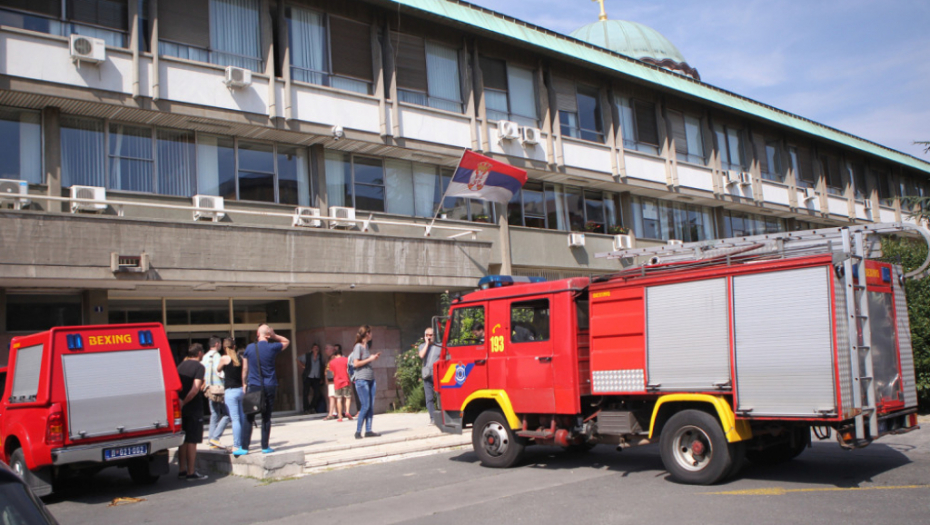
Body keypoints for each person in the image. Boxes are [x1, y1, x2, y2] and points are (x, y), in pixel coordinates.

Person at [242, 324, 289, 454]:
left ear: (257, 333)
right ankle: (264, 446)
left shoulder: (250, 348)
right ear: (268, 335)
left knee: (248, 416)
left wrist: (244, 383)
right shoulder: (272, 347)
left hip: (254, 385)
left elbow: (245, 368)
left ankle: (244, 447)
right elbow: (286, 341)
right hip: (270, 385)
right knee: (266, 417)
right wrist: (274, 335)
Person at [176, 344, 208, 481]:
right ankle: (191, 472)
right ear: (199, 353)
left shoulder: (180, 366)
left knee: (182, 440)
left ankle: (182, 469)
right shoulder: (199, 367)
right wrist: (185, 401)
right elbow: (195, 389)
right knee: (192, 440)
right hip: (193, 407)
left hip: (182, 409)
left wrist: (180, 403)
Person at [217, 338, 247, 456]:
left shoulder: (224, 358)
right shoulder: (241, 358)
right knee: (242, 418)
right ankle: (244, 443)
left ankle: (236, 445)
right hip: (240, 389)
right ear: (234, 347)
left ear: (225, 347)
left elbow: (218, 369)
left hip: (230, 391)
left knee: (235, 419)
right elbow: (245, 371)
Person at [349, 325, 380, 439]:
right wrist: (370, 359)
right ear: (367, 333)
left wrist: (372, 358)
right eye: (370, 332)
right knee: (365, 405)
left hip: (370, 379)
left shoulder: (365, 346)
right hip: (362, 380)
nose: (372, 335)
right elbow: (356, 363)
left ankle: (368, 430)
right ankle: (358, 432)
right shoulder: (358, 346)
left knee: (370, 406)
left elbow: (365, 361)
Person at [201, 336, 229, 449]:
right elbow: (220, 372)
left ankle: (210, 439)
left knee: (214, 414)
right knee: (227, 414)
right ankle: (215, 438)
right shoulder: (217, 356)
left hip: (209, 388)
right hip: (219, 389)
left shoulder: (205, 356)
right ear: (217, 344)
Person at [418, 327, 441, 425]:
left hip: (438, 374)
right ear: (425, 336)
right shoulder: (422, 346)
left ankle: (442, 416)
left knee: (439, 396)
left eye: (432, 335)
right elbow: (421, 356)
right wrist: (427, 344)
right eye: (428, 335)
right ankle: (432, 418)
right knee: (429, 398)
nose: (430, 337)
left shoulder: (440, 346)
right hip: (427, 375)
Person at [326, 347, 353, 422]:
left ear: (335, 355)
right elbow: (350, 369)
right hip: (346, 381)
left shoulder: (332, 362)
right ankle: (347, 411)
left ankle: (340, 416)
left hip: (337, 382)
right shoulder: (346, 359)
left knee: (338, 399)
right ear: (341, 354)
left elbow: (331, 373)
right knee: (347, 397)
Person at [297, 343, 323, 414]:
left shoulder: (320, 357)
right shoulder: (307, 356)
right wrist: (303, 366)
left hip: (316, 377)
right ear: (312, 349)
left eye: (317, 347)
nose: (316, 348)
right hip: (308, 376)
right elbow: (298, 359)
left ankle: (312, 407)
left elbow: (322, 366)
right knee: (306, 393)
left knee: (317, 393)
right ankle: (306, 409)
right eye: (315, 347)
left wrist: (322, 377)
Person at [323, 344, 339, 419]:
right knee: (333, 396)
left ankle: (331, 413)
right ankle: (335, 412)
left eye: (327, 348)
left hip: (332, 380)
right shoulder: (329, 358)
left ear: (332, 350)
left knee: (332, 396)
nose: (325, 350)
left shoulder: (333, 358)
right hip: (331, 380)